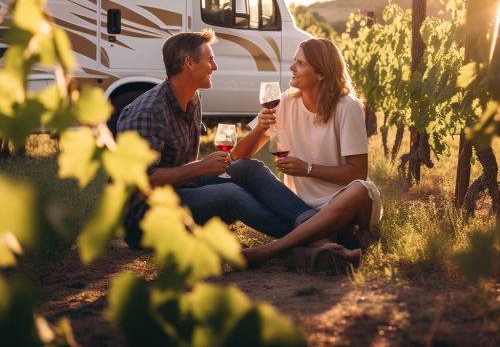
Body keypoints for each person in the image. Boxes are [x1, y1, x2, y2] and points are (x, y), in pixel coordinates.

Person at [117, 28, 317, 249]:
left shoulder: (193, 98)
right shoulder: (148, 112)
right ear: (189, 63)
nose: (215, 66)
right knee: (229, 194)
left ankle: (311, 220)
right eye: (210, 60)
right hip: (143, 218)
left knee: (249, 168)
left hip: (180, 190)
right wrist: (200, 168)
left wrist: (199, 171)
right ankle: (314, 236)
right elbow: (140, 182)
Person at [231, 37, 382, 269]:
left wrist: (307, 169)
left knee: (361, 190)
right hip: (299, 208)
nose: (292, 68)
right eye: (294, 62)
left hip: (342, 201)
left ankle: (268, 251)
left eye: (300, 63)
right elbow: (239, 157)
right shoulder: (283, 103)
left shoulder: (346, 107)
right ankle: (324, 243)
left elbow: (358, 172)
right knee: (247, 171)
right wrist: (260, 128)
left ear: (321, 73)